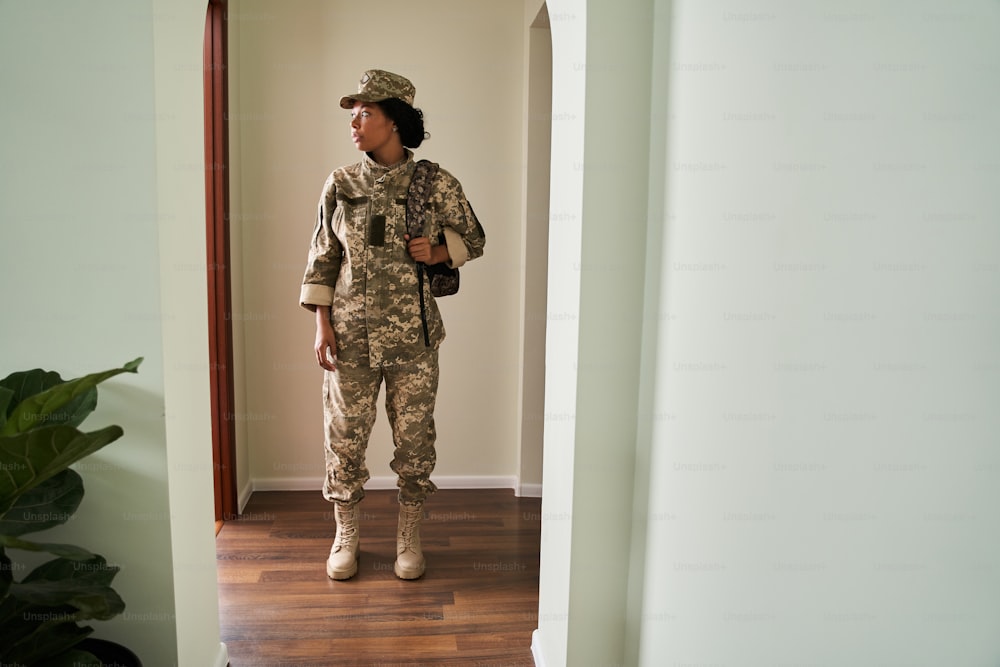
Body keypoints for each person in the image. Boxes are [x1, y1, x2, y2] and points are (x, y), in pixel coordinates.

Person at [299, 69, 485, 581]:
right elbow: (323, 255)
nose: (355, 123)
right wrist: (322, 324)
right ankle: (347, 534)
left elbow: (475, 236)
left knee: (415, 442)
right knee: (344, 439)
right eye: (353, 113)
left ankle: (409, 535)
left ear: (395, 120)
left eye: (367, 113)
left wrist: (440, 251)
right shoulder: (341, 182)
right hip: (349, 337)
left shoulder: (434, 182)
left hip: (414, 340)